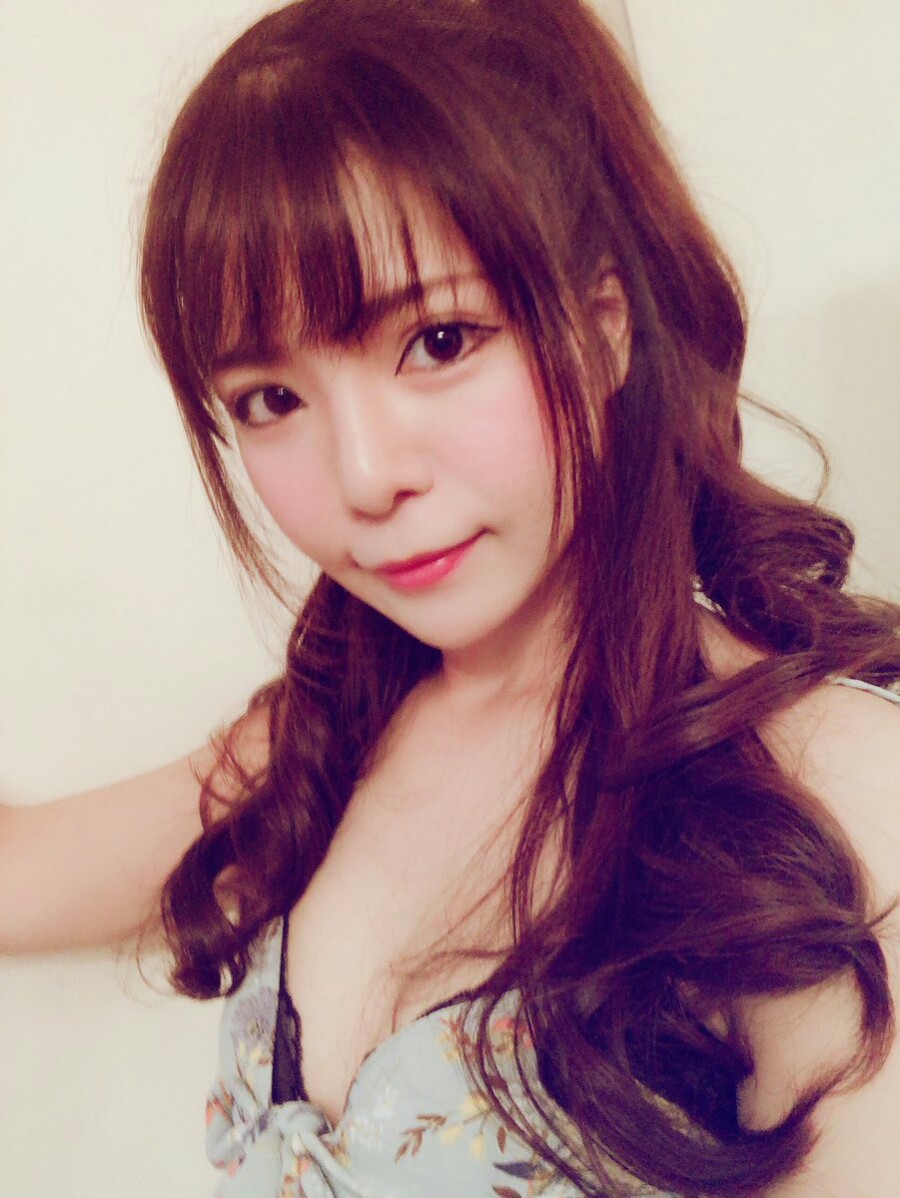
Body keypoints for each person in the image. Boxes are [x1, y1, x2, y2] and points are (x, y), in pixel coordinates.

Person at [2, 0, 899, 1194]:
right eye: (272, 400)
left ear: (602, 327)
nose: (364, 476)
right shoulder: (317, 745)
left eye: (438, 341)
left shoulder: (823, 801)